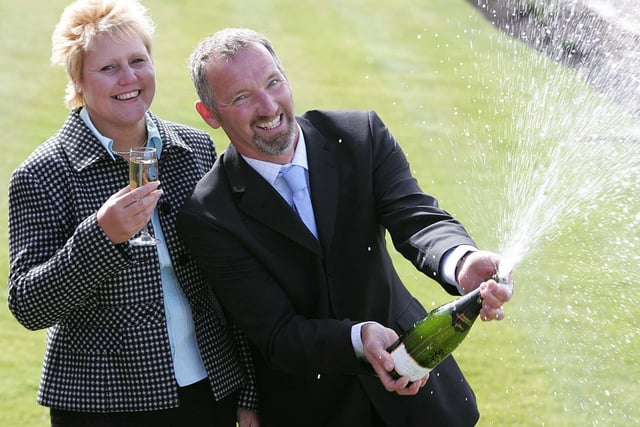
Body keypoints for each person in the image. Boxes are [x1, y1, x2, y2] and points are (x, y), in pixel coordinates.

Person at [177, 27, 514, 427]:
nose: (268, 106)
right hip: (313, 409)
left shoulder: (360, 136)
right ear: (210, 114)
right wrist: (357, 339)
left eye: (273, 83)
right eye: (241, 97)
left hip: (422, 392)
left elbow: (417, 218)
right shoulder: (208, 214)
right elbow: (279, 335)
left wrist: (461, 261)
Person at [7, 3, 258, 426]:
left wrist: (250, 385)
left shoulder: (194, 150)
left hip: (210, 390)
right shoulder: (44, 173)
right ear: (79, 82)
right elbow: (28, 305)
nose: (129, 79)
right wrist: (101, 236)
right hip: (100, 405)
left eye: (138, 61)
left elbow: (234, 278)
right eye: (108, 68)